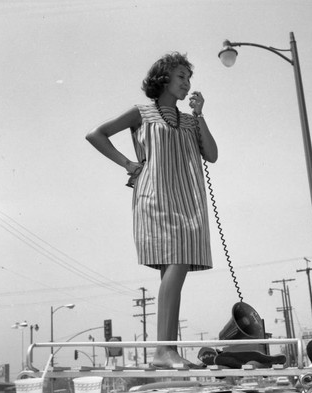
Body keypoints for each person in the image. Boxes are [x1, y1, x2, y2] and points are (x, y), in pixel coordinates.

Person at [86, 52, 218, 369]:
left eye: (189, 78)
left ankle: (165, 350)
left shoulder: (189, 120)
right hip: (155, 196)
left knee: (173, 269)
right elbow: (96, 134)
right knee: (177, 262)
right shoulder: (142, 113)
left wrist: (200, 115)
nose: (187, 84)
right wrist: (128, 163)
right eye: (181, 77)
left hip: (190, 200)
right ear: (163, 79)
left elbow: (211, 155)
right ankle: (164, 350)